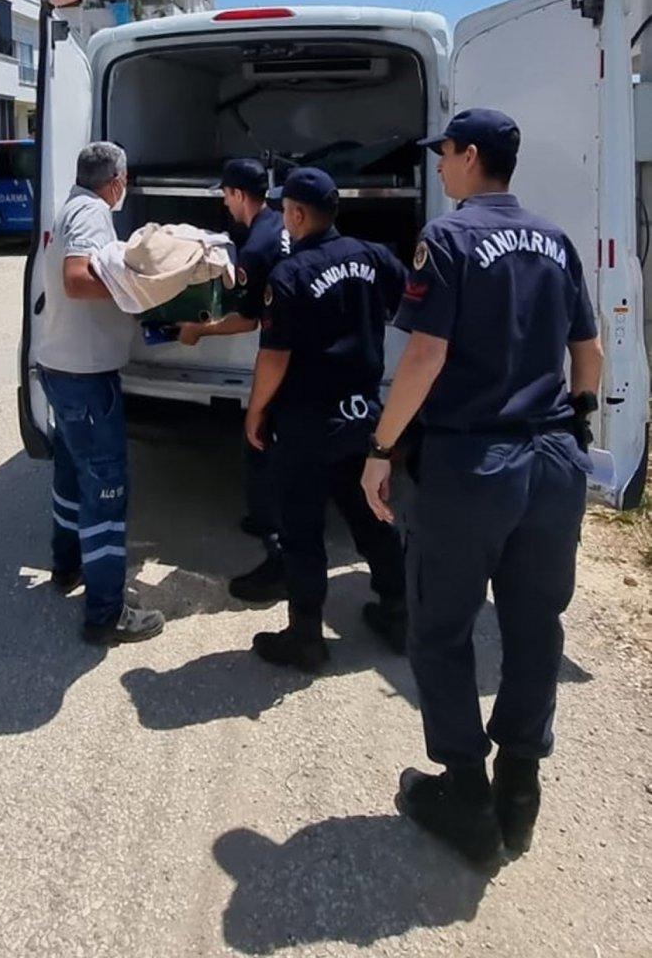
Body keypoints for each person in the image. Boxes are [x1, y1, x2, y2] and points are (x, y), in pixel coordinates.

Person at [361, 109, 603, 864]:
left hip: (472, 465)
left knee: (440, 627)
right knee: (535, 624)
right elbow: (587, 351)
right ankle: (519, 788)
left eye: (444, 155)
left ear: (470, 157)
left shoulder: (449, 237)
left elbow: (425, 357)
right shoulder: (555, 239)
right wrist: (578, 425)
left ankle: (464, 793)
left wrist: (381, 447)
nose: (437, 167)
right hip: (552, 460)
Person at [245, 166, 408, 673]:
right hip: (364, 417)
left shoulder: (289, 275)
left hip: (306, 423)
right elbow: (409, 305)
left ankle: (307, 637)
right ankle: (400, 614)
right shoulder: (374, 255)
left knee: (302, 529)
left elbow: (274, 357)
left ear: (296, 213)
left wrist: (255, 412)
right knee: (370, 516)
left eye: (283, 210)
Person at [36, 141, 165, 646]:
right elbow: (75, 279)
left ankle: (66, 566)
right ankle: (105, 614)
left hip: (60, 368)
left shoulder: (68, 207)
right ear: (117, 181)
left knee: (71, 477)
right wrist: (138, 292)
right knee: (106, 491)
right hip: (86, 379)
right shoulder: (91, 213)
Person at [178, 157, 290, 602]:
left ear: (239, 195)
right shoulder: (279, 222)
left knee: (261, 439)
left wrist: (199, 330)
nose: (223, 203)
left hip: (286, 353)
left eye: (225, 194)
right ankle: (268, 521)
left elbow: (247, 320)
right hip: (313, 348)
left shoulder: (258, 247)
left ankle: (274, 538)